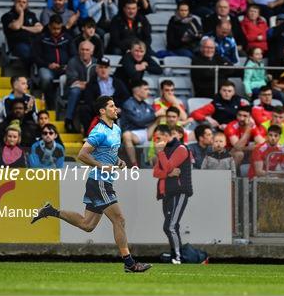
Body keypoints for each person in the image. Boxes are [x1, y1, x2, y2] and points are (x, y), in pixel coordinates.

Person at [32, 96, 152, 273]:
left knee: (87, 225)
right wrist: (103, 166)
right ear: (102, 111)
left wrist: (118, 161)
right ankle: (130, 263)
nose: (115, 108)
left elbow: (108, 152)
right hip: (99, 181)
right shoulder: (99, 131)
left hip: (102, 181)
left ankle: (51, 211)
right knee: (119, 219)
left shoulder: (116, 129)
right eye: (111, 106)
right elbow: (82, 155)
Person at [152, 124, 192, 264]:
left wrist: (161, 154)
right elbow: (156, 172)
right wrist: (168, 173)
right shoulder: (167, 150)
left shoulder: (180, 148)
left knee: (170, 226)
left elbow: (167, 166)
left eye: (158, 137)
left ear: (166, 135)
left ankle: (177, 257)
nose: (156, 140)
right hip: (167, 193)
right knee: (172, 226)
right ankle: (176, 254)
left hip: (178, 191)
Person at [80, 57, 130, 133]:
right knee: (84, 109)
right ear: (96, 69)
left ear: (109, 69)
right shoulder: (91, 83)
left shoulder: (117, 82)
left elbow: (126, 97)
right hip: (98, 109)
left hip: (115, 107)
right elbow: (88, 100)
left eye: (106, 67)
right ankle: (88, 136)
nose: (103, 70)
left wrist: (118, 107)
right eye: (101, 67)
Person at [33, 14, 71, 109]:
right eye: (54, 28)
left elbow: (73, 55)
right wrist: (48, 65)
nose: (56, 31)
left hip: (64, 68)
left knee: (72, 77)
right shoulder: (41, 38)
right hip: (46, 67)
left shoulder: (68, 38)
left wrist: (69, 65)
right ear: (49, 26)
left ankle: (64, 104)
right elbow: (35, 57)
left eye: (59, 28)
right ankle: (49, 102)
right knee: (46, 78)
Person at [1, 0, 44, 69]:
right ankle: (32, 71)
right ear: (14, 2)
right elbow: (17, 26)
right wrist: (21, 13)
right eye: (19, 1)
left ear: (27, 4)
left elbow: (40, 28)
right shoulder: (7, 16)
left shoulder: (31, 15)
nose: (21, 4)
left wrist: (24, 27)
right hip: (17, 45)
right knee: (28, 52)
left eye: (24, 2)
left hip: (33, 42)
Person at [63, 40, 97, 133]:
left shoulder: (96, 63)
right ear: (78, 51)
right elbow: (73, 80)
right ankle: (68, 120)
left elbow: (97, 80)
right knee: (75, 91)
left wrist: (87, 85)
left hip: (90, 91)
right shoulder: (73, 61)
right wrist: (88, 84)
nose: (84, 52)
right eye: (82, 49)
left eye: (87, 50)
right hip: (74, 90)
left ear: (92, 52)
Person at [121, 80, 156, 167]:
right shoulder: (128, 104)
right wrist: (155, 115)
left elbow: (152, 117)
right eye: (146, 89)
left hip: (147, 132)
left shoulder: (146, 105)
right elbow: (138, 121)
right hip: (133, 134)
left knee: (162, 118)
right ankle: (134, 164)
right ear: (137, 91)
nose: (148, 92)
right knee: (126, 135)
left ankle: (160, 161)